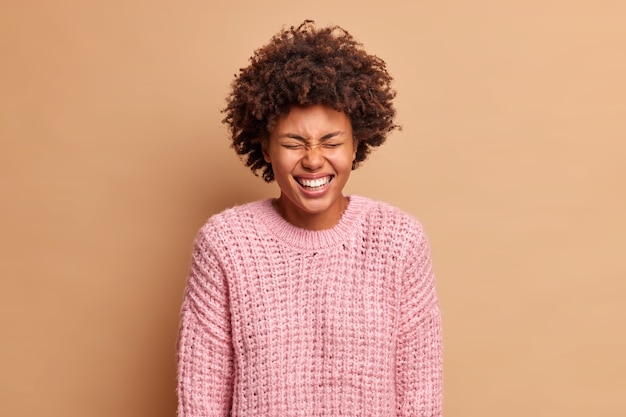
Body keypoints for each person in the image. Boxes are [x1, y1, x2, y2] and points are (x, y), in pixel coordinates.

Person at [176, 20, 443, 417]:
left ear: (356, 145)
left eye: (332, 142)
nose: (314, 159)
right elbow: (201, 400)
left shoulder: (399, 241)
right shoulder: (225, 244)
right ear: (265, 148)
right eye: (293, 143)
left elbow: (420, 396)